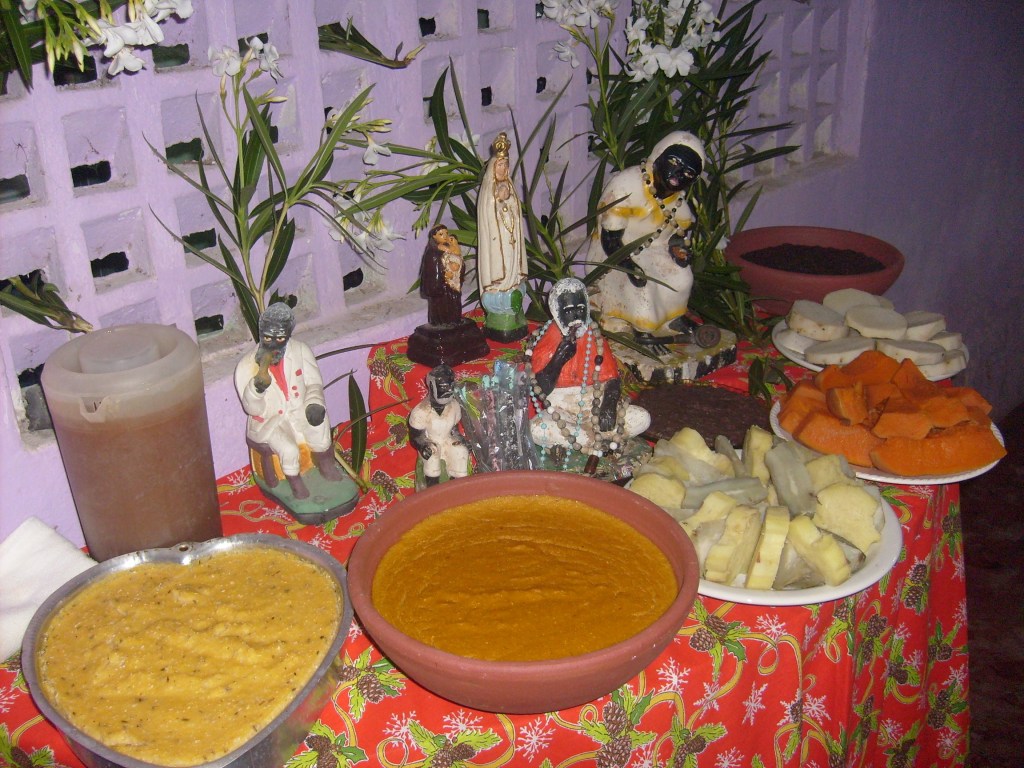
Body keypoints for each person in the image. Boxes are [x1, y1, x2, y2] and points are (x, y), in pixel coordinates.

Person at [587, 131, 706, 340]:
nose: (678, 174)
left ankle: (672, 319)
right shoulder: (626, 185)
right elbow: (610, 238)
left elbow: (677, 233)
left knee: (682, 277)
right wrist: (629, 265)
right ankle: (642, 328)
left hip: (656, 250)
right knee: (643, 287)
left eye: (688, 173)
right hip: (617, 252)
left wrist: (678, 249)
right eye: (674, 162)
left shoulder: (677, 201)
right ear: (658, 157)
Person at [525, 278, 650, 454]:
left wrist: (609, 405)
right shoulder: (547, 340)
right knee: (537, 429)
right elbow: (540, 389)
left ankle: (587, 439)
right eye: (569, 311)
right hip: (561, 410)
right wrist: (558, 360)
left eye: (580, 309)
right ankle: (596, 440)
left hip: (596, 402)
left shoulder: (595, 338)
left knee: (642, 418)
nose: (576, 316)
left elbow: (613, 380)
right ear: (556, 311)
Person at [234, 303, 345, 499]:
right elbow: (252, 409)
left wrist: (314, 403)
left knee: (320, 427)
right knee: (288, 449)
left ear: (288, 335)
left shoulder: (301, 351)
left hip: (299, 408)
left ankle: (325, 464)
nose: (273, 344)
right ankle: (295, 483)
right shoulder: (246, 366)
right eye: (267, 338)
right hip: (271, 420)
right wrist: (257, 389)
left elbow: (314, 383)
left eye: (280, 338)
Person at [477, 132, 529, 341]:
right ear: (493, 167)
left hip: (511, 240)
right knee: (501, 269)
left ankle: (512, 289)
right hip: (496, 243)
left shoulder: (510, 187)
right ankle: (501, 296)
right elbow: (487, 217)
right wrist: (497, 201)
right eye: (499, 165)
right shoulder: (487, 193)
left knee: (513, 270)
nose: (503, 168)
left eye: (506, 165)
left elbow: (516, 210)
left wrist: (509, 201)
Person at [408, 364, 470, 486]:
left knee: (460, 451)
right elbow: (415, 436)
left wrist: (461, 439)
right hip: (431, 442)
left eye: (451, 386)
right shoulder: (421, 411)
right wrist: (423, 446)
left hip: (447, 440)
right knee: (432, 455)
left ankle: (458, 487)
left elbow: (454, 429)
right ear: (432, 386)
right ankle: (433, 488)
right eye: (443, 387)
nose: (449, 391)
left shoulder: (454, 406)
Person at [419, 224, 466, 327]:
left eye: (446, 233)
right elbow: (432, 270)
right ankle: (441, 323)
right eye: (441, 234)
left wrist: (457, 269)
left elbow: (459, 260)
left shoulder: (450, 247)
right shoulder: (432, 252)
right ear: (434, 236)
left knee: (453, 302)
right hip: (440, 286)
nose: (445, 236)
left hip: (452, 284)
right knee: (441, 305)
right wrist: (444, 274)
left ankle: (454, 321)